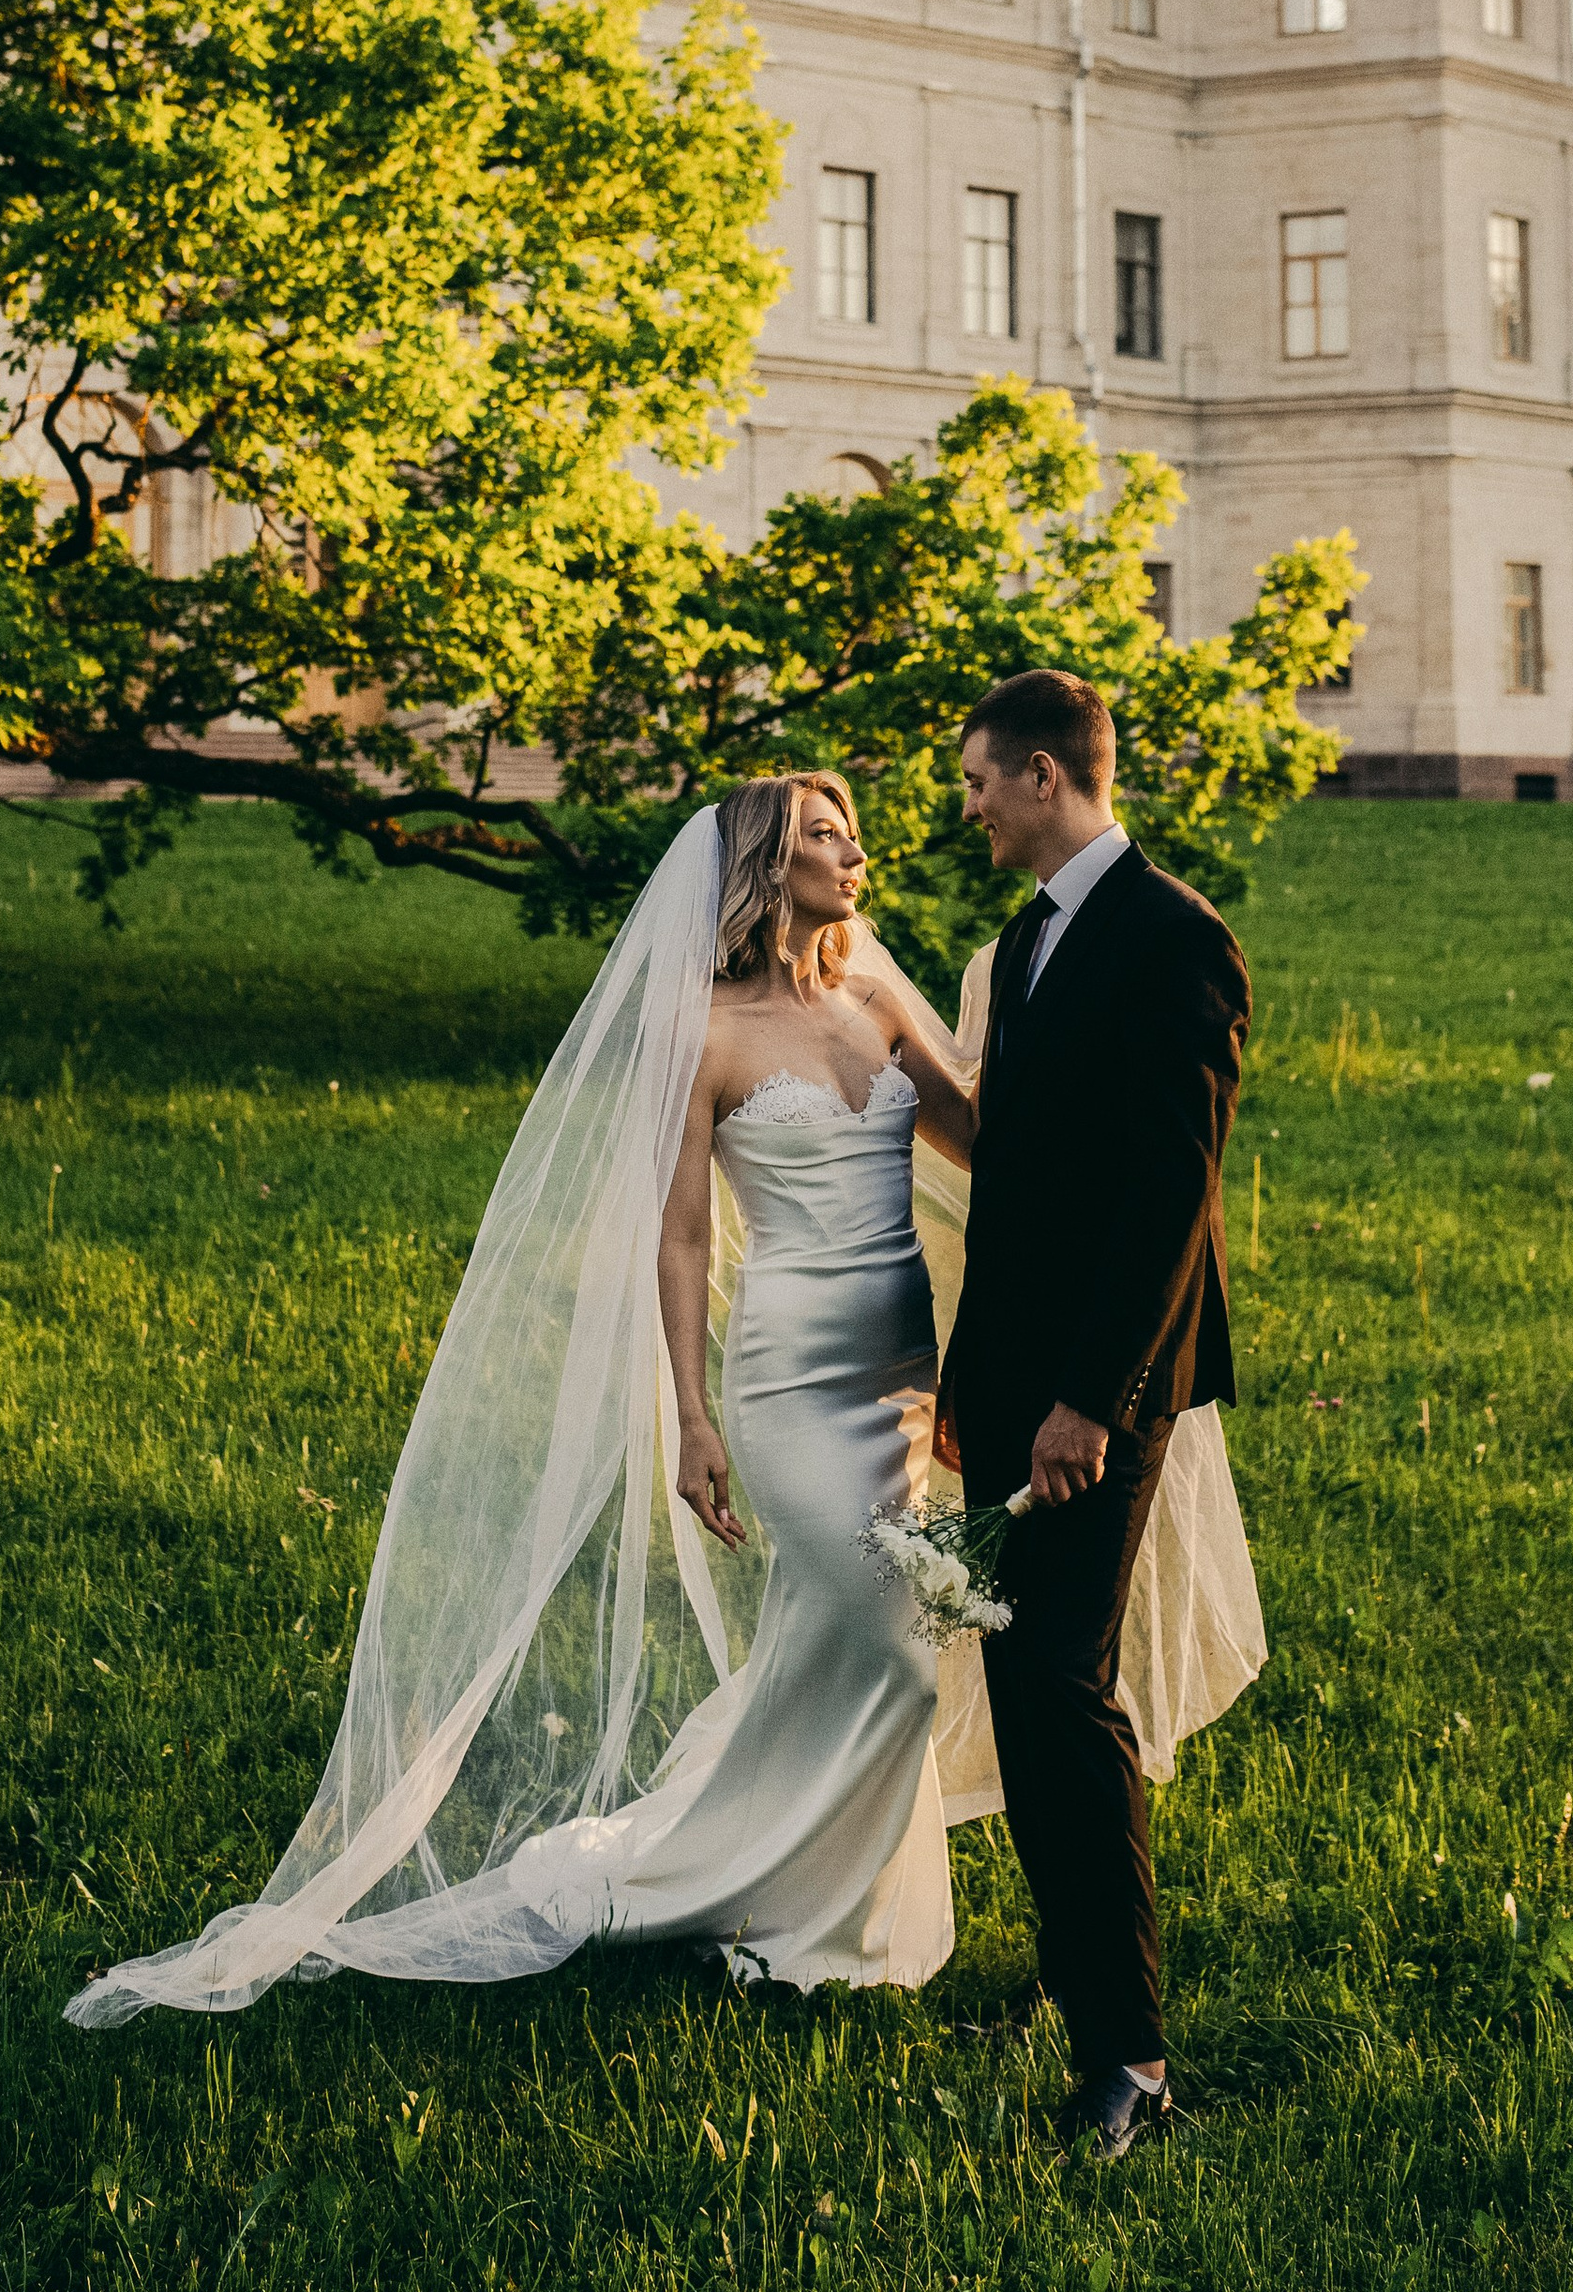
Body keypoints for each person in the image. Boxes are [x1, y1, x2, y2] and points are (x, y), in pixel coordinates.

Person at [65, 774, 980, 2022]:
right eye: (827, 834)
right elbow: (680, 1241)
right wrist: (693, 1417)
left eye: (854, 834)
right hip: (789, 1386)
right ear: (767, 863)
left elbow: (978, 1136)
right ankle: (742, 1894)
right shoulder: (701, 1031)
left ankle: (826, 1903)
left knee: (852, 1645)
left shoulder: (874, 999)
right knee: (894, 1648)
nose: (855, 853)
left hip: (900, 1384)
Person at [937, 667, 1250, 2162]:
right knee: (1019, 1684)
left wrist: (1090, 1405)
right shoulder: (1026, 937)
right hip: (1011, 1385)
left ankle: (1129, 2056)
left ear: (1049, 778)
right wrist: (971, 1392)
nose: (972, 806)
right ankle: (1064, 1976)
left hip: (1100, 1399)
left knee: (1067, 1683)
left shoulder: (1174, 938)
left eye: (984, 782)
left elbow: (1170, 1203)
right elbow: (1012, 1195)